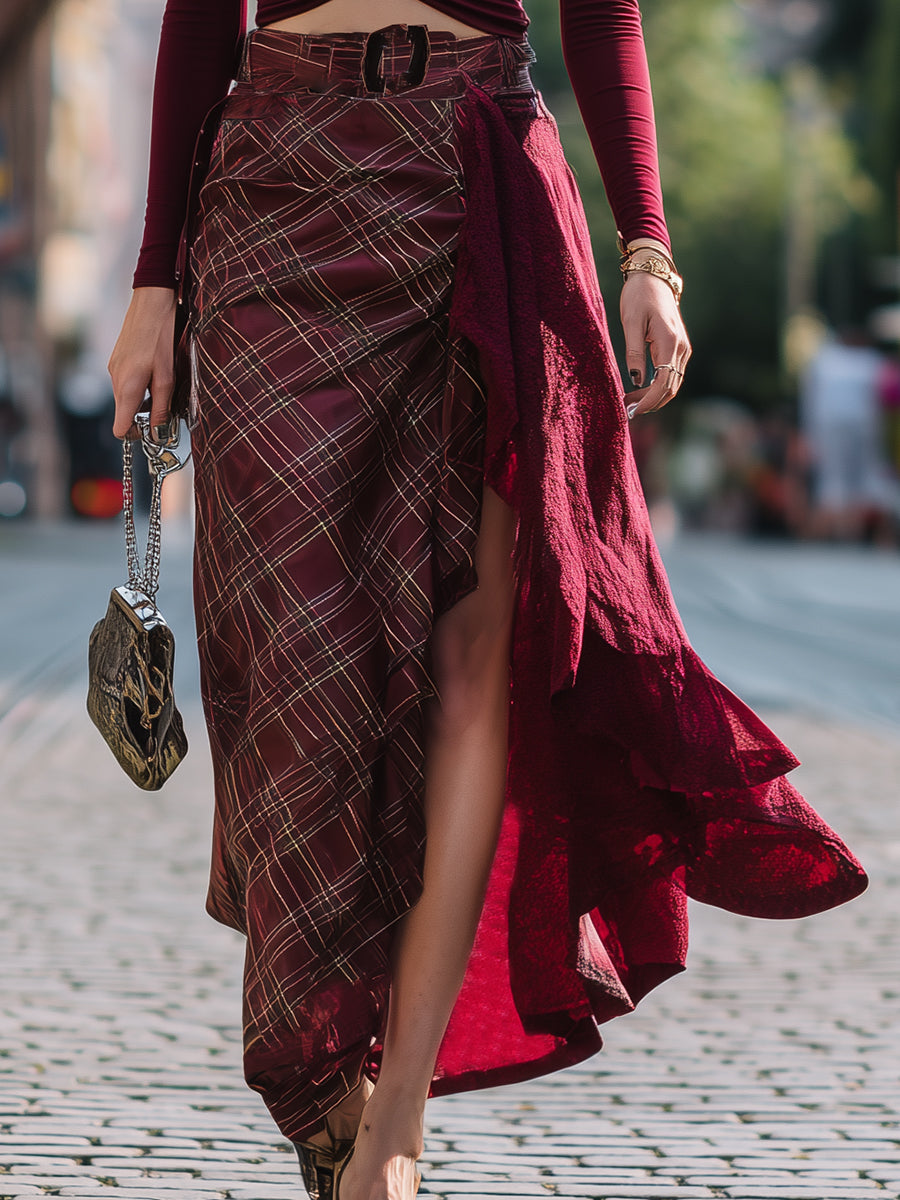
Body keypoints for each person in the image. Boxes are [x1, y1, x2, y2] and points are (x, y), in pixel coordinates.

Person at [107, 3, 868, 1199]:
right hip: (276, 194)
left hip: (479, 185)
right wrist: (155, 280)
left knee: (477, 665)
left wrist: (646, 251)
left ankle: (396, 1115)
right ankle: (328, 1066)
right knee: (297, 669)